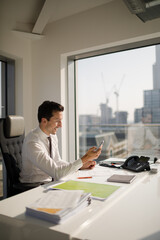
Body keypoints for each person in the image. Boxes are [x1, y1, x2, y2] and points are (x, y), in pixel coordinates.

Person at [19, 101, 102, 184]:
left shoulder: (52, 136)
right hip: (34, 187)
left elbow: (57, 161)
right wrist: (85, 158)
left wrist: (80, 166)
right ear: (44, 121)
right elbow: (57, 173)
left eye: (61, 121)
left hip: (50, 183)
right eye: (57, 121)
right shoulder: (33, 143)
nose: (60, 125)